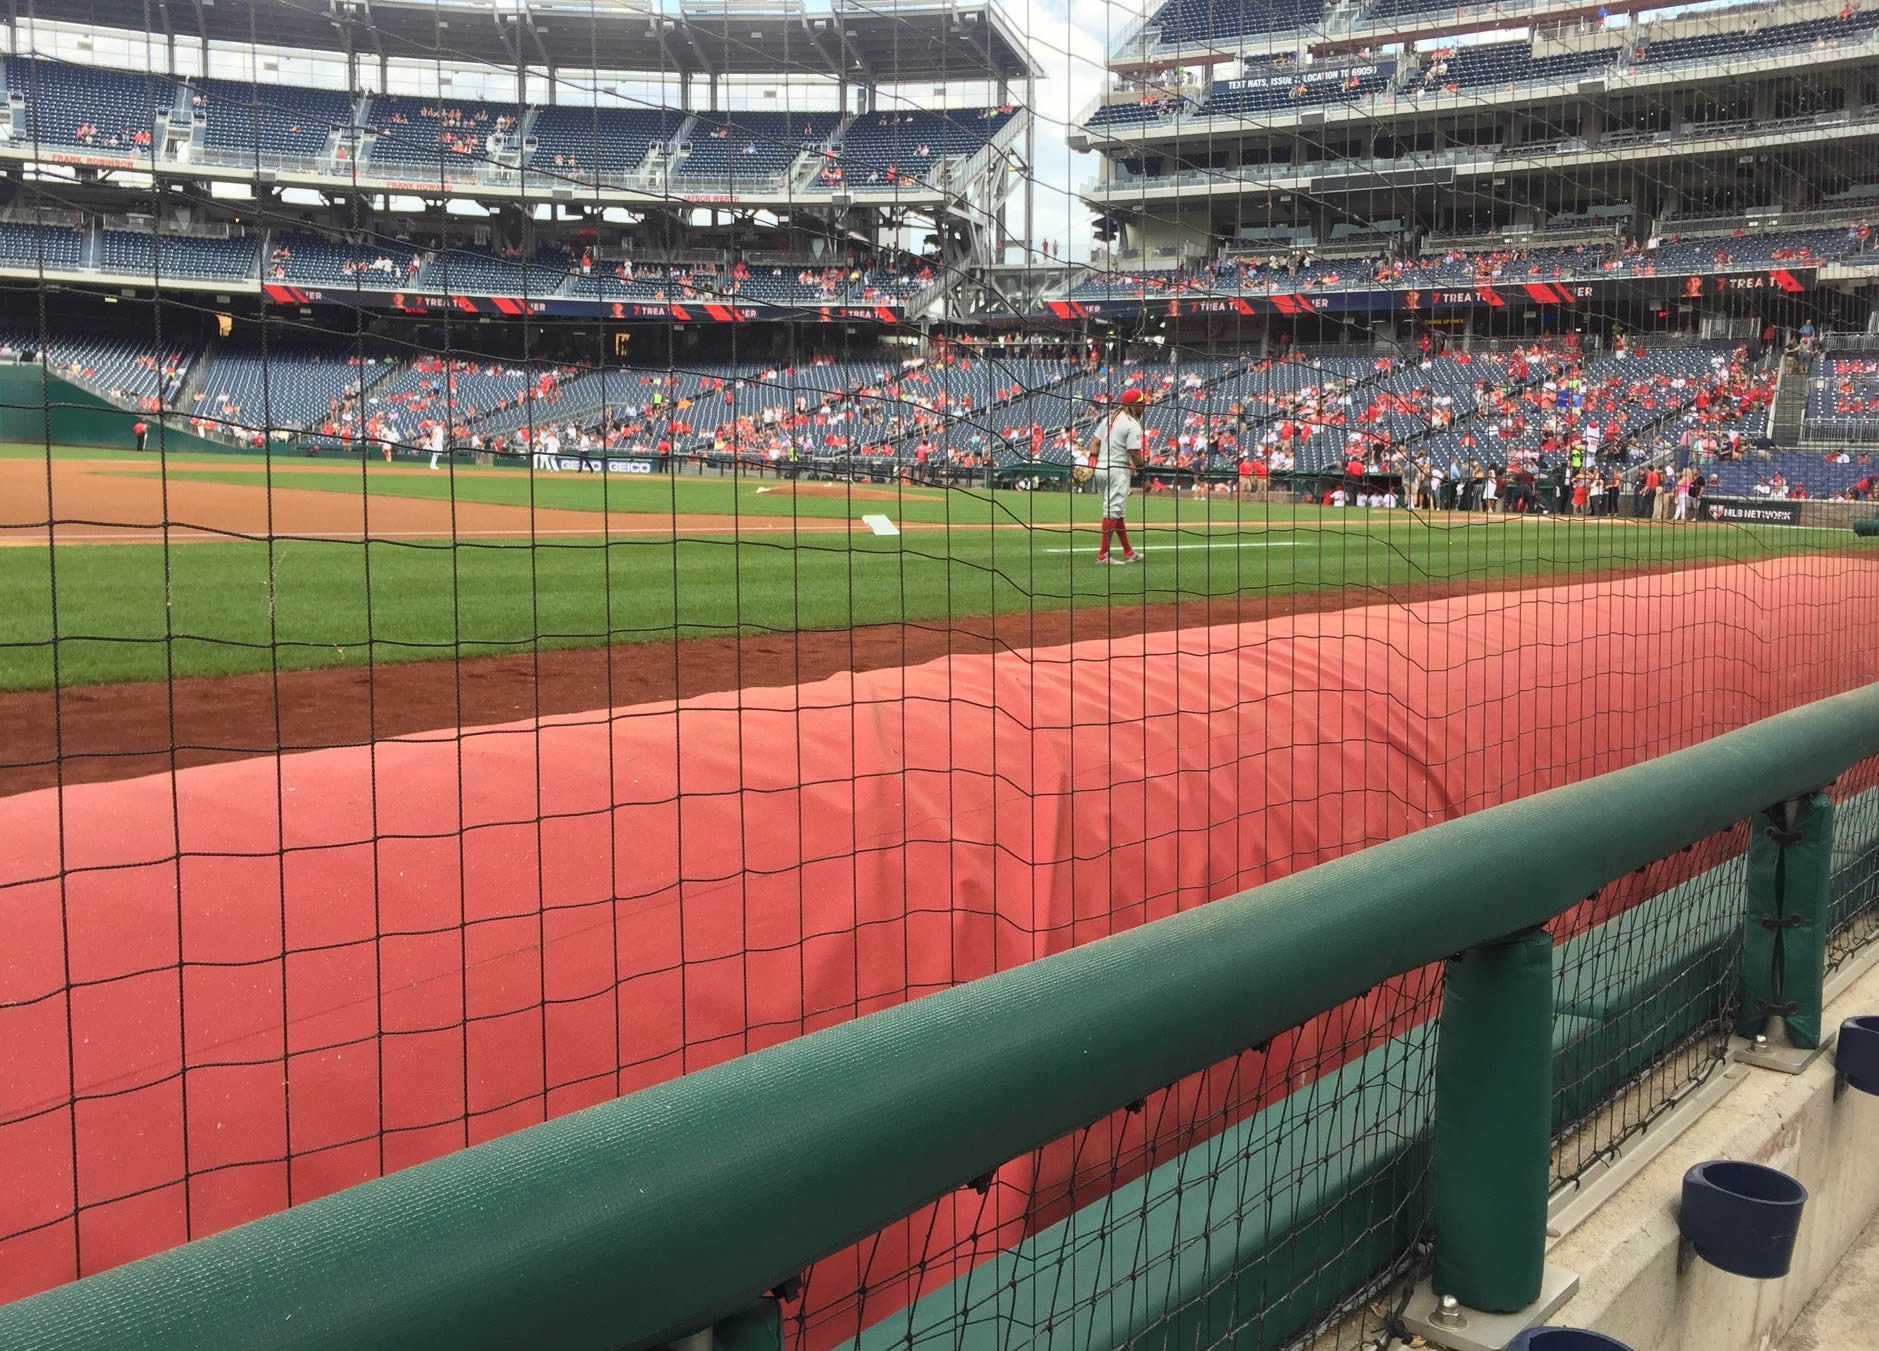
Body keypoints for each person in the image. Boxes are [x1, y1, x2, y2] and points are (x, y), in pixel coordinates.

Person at [1089, 388, 1147, 564]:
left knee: (1116, 512)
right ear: (1132, 405)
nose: (1143, 407)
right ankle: (1102, 555)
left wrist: (1091, 462)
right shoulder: (1132, 424)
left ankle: (1128, 552)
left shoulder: (1109, 418)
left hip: (1101, 469)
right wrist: (1143, 473)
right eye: (1140, 404)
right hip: (1118, 470)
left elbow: (1095, 442)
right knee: (1112, 511)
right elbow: (1134, 452)